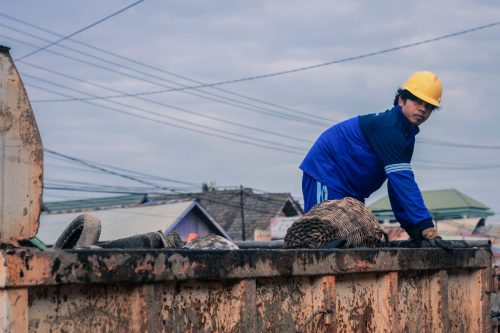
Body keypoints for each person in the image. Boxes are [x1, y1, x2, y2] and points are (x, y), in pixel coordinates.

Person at [299, 71, 442, 240]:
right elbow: (403, 180)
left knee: (353, 240)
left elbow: (396, 186)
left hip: (353, 188)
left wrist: (414, 228)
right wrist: (425, 225)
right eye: (417, 101)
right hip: (326, 171)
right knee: (321, 236)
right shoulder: (389, 127)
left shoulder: (406, 137)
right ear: (401, 100)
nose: (422, 109)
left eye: (429, 106)